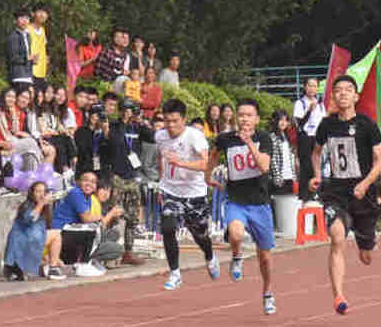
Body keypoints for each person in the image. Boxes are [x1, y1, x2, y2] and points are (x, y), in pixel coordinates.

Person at [310, 76, 381, 315]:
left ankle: (368, 239)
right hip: (336, 193)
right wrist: (317, 175)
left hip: (363, 195)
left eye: (348, 89)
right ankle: (339, 296)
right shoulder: (327, 125)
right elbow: (316, 153)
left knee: (366, 256)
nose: (342, 93)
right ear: (333, 96)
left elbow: (380, 160)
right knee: (337, 237)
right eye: (338, 90)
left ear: (356, 96)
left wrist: (365, 183)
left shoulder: (367, 124)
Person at [211, 99, 277, 314]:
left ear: (256, 119)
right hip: (236, 200)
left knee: (265, 257)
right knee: (236, 233)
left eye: (249, 115)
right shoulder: (226, 139)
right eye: (241, 115)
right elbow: (213, 155)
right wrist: (207, 176)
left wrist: (249, 143)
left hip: (260, 203)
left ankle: (268, 292)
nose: (245, 119)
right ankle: (237, 256)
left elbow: (264, 166)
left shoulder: (264, 138)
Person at [155, 99, 217, 290]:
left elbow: (205, 164)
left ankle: (210, 256)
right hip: (171, 191)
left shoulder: (195, 136)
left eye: (175, 121)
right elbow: (160, 158)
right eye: (167, 121)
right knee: (167, 226)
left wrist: (181, 162)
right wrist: (161, 183)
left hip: (194, 192)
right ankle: (175, 273)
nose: (170, 125)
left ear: (184, 119)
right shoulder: (160, 136)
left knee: (200, 235)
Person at [103, 99, 154, 266]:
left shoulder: (138, 128)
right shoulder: (114, 126)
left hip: (133, 176)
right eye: (125, 109)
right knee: (115, 216)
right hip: (117, 175)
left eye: (131, 110)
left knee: (133, 217)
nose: (128, 113)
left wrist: (141, 122)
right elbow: (111, 143)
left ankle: (129, 251)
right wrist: (122, 123)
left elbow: (152, 137)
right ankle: (110, 254)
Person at [50, 171, 124, 277]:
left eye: (93, 182)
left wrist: (103, 217)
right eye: (85, 180)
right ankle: (84, 264)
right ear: (78, 182)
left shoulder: (88, 197)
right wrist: (107, 215)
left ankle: (89, 261)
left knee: (112, 235)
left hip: (74, 231)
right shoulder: (76, 193)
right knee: (94, 229)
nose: (89, 184)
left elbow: (96, 222)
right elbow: (87, 219)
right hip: (61, 231)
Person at [3, 181, 62, 281]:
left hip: (33, 241)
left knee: (46, 261)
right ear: (32, 193)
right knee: (56, 235)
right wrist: (41, 204)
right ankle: (53, 269)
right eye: (38, 191)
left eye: (43, 192)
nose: (41, 195)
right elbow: (29, 219)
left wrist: (51, 256)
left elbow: (43, 232)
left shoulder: (45, 208)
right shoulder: (27, 205)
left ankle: (42, 266)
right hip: (22, 243)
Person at [291, 78, 324, 199]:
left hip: (317, 137)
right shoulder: (300, 103)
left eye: (314, 86)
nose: (312, 89)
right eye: (309, 85)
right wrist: (309, 111)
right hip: (305, 138)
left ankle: (317, 194)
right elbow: (299, 124)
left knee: (318, 166)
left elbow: (323, 122)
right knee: (306, 167)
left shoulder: (320, 104)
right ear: (305, 87)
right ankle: (305, 196)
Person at [5, 9, 35, 93]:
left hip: (28, 75)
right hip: (18, 76)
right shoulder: (13, 36)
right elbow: (13, 58)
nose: (25, 21)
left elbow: (27, 57)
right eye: (21, 18)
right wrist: (27, 58)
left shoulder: (28, 36)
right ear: (15, 21)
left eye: (27, 18)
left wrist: (32, 60)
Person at [269, 111, 297, 194]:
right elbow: (273, 159)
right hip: (279, 179)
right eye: (281, 120)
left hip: (289, 177)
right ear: (275, 121)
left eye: (286, 120)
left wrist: (294, 176)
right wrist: (277, 177)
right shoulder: (272, 137)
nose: (283, 122)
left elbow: (291, 158)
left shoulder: (287, 136)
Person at [29, 5, 50, 90]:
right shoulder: (27, 29)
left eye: (45, 12)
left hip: (41, 72)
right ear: (33, 14)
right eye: (40, 12)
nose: (42, 15)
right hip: (30, 71)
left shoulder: (43, 30)